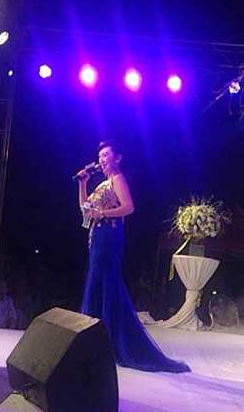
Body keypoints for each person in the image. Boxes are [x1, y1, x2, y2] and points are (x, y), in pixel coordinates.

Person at [77, 141, 189, 373]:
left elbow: (129, 207)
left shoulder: (118, 179)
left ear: (117, 158)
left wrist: (103, 213)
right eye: (100, 155)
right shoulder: (102, 184)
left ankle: (116, 342)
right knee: (97, 284)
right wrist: (83, 183)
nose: (101, 159)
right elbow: (85, 209)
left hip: (109, 235)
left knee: (108, 284)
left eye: (106, 155)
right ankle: (95, 341)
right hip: (97, 237)